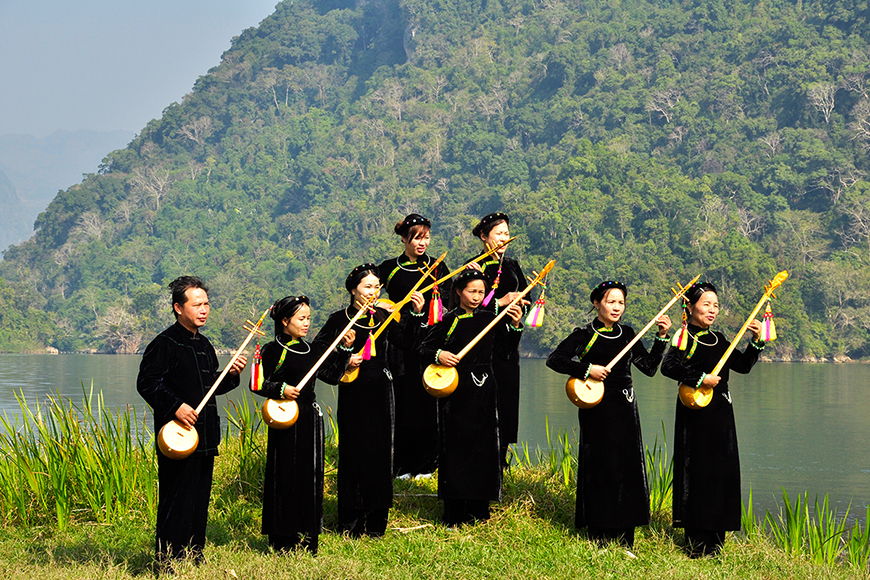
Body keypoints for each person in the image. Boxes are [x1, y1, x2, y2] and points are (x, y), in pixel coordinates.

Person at [546, 280, 670, 549]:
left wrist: (661, 337)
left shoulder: (628, 334)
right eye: (611, 301)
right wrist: (587, 370)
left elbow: (648, 368)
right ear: (596, 303)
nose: (616, 307)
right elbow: (555, 359)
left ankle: (625, 538)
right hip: (596, 408)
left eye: (621, 303)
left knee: (627, 468)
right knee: (600, 467)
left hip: (626, 408)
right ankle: (599, 535)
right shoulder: (584, 334)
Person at [137, 276, 247, 566]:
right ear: (178, 307)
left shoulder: (205, 344)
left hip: (206, 434)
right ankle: (167, 561)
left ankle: (194, 555)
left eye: (206, 304)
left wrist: (231, 374)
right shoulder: (165, 343)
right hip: (178, 436)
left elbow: (212, 386)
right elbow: (147, 383)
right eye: (196, 304)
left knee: (199, 499)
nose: (203, 310)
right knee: (175, 498)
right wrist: (177, 407)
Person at [312, 264, 423, 537]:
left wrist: (417, 314)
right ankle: (350, 522)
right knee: (353, 454)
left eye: (376, 287)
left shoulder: (385, 315)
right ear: (353, 290)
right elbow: (318, 354)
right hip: (354, 391)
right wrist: (345, 354)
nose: (373, 292)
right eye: (366, 287)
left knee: (381, 455)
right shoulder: (339, 320)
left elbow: (408, 343)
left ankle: (376, 524)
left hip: (383, 391)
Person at [660, 282, 764, 557]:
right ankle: (697, 541)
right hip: (695, 411)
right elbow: (668, 366)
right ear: (690, 307)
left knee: (721, 473)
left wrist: (757, 343)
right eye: (706, 304)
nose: (712, 310)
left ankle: (717, 540)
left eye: (715, 305)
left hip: (721, 414)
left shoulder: (719, 339)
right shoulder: (683, 337)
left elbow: (741, 366)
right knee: (699, 472)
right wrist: (700, 378)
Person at [250, 295, 354, 554]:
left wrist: (344, 350)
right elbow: (258, 384)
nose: (307, 323)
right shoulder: (272, 350)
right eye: (301, 319)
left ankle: (309, 539)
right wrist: (282, 388)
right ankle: (282, 540)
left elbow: (332, 376)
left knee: (311, 476)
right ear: (285, 321)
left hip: (309, 418)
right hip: (284, 417)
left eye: (308, 318)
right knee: (284, 475)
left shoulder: (312, 350)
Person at [419, 269, 523, 526]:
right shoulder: (448, 320)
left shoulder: (491, 318)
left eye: (481, 292)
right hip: (456, 390)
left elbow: (505, 351)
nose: (477, 297)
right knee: (456, 448)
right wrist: (440, 355)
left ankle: (479, 510)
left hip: (486, 389)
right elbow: (423, 349)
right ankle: (454, 513)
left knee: (484, 449)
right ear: (458, 292)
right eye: (471, 291)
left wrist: (515, 326)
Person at [378, 213, 450, 478]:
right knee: (402, 398)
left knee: (426, 399)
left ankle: (427, 463)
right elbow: (370, 293)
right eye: (417, 238)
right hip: (398, 339)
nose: (423, 244)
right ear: (404, 239)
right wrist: (380, 306)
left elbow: (448, 300)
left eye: (426, 238)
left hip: (429, 336)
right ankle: (401, 463)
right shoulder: (389, 267)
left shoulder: (437, 267)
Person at [466, 212, 528, 466]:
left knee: (506, 394)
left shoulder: (512, 266)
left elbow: (527, 295)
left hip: (507, 341)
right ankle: (478, 458)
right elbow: (468, 306)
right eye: (498, 233)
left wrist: (520, 305)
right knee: (481, 398)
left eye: (506, 233)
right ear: (483, 236)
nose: (504, 238)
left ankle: (501, 461)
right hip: (481, 342)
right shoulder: (473, 266)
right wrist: (501, 302)